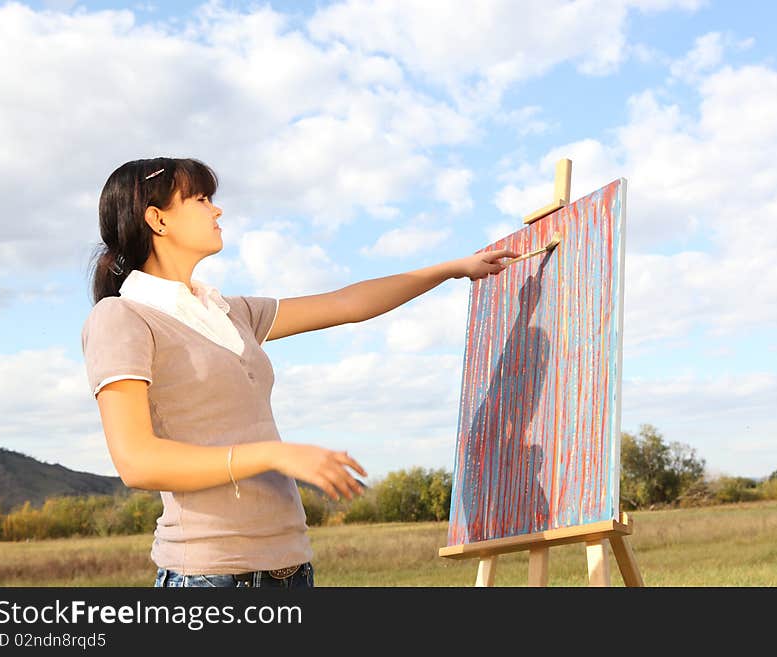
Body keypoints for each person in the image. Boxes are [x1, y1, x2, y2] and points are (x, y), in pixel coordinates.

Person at [81, 157, 519, 588]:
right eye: (199, 199)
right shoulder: (122, 317)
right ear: (158, 220)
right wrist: (275, 454)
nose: (217, 209)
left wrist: (451, 269)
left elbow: (347, 304)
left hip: (290, 567)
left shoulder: (230, 311)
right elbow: (137, 462)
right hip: (209, 574)